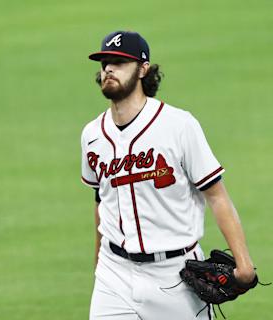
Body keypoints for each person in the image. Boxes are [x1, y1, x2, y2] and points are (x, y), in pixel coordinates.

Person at [80, 30, 257, 320]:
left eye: (119, 62)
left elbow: (216, 196)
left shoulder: (178, 125)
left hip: (175, 276)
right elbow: (102, 201)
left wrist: (244, 263)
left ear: (143, 69)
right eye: (104, 63)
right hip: (114, 275)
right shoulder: (91, 135)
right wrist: (99, 265)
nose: (109, 69)